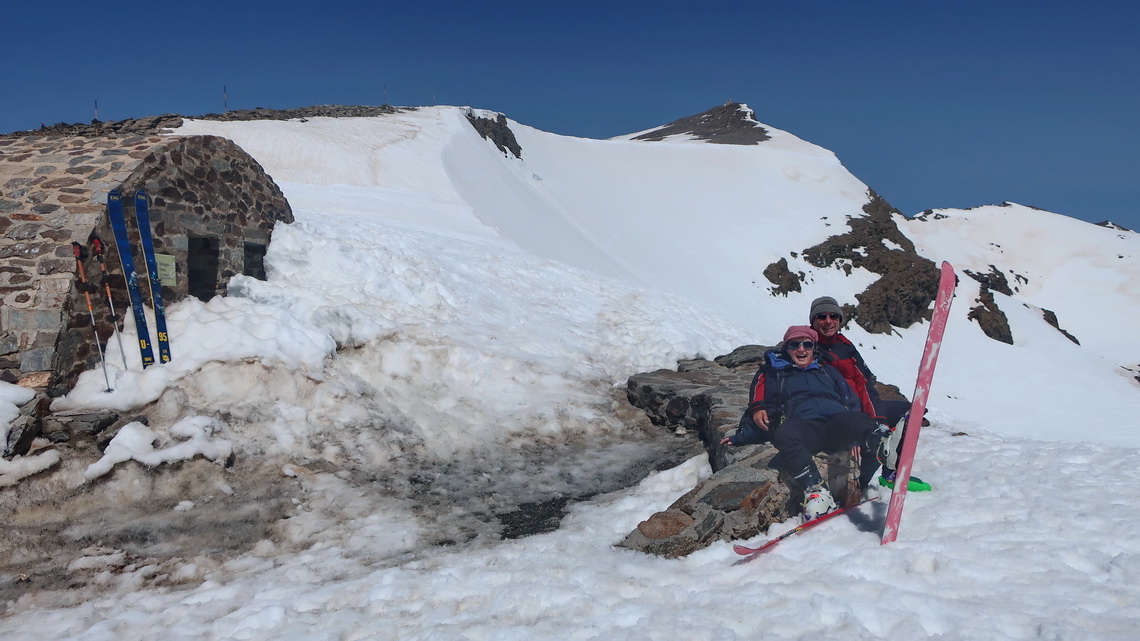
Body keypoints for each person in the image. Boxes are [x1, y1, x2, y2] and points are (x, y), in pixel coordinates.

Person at [720, 326, 890, 520]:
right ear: (787, 348)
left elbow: (851, 400)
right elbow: (764, 410)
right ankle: (818, 491)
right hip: (806, 427)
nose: (801, 350)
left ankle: (884, 445)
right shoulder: (777, 374)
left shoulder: (827, 371)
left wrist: (858, 433)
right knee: (783, 434)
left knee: (857, 420)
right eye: (794, 344)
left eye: (807, 344)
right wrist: (741, 437)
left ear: (813, 348)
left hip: (837, 422)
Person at [808, 296, 930, 492]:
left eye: (833, 316)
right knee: (869, 434)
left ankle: (891, 472)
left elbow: (864, 383)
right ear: (813, 321)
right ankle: (858, 484)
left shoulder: (845, 346)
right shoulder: (807, 347)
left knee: (911, 412)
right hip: (839, 415)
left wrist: (878, 417)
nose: (828, 321)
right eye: (821, 316)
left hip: (860, 406)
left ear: (839, 320)